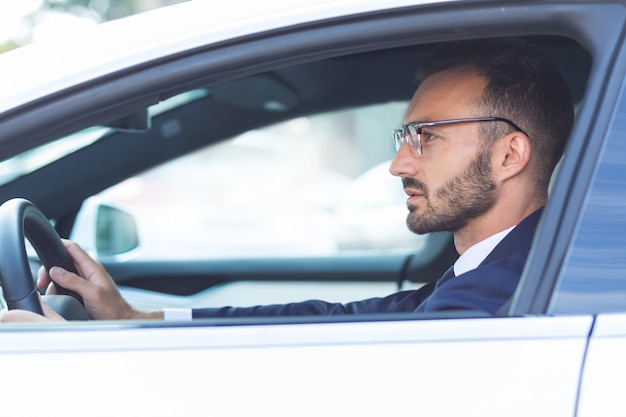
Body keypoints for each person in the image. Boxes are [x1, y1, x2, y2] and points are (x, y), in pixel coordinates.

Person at [1, 37, 574, 323]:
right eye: (404, 139)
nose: (400, 164)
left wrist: (73, 356)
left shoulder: (508, 290)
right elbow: (353, 322)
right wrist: (135, 321)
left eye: (427, 136)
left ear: (509, 155)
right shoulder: (506, 268)